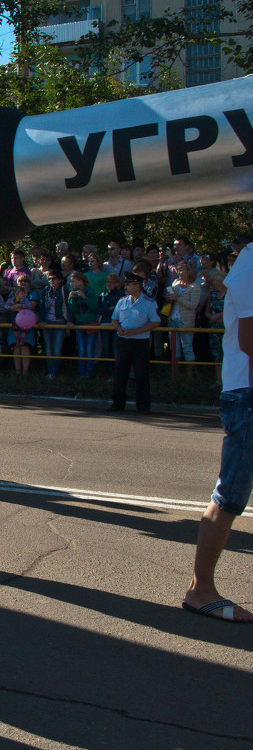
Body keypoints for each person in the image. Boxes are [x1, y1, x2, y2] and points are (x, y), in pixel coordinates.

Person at [182, 244, 252, 622]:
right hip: (248, 395)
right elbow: (250, 340)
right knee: (230, 495)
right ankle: (200, 590)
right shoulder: (252, 265)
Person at [109, 272, 160, 413]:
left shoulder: (149, 302)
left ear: (137, 286)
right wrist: (119, 329)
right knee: (120, 374)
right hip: (123, 341)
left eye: (129, 284)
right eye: (126, 284)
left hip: (140, 342)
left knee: (141, 374)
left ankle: (143, 405)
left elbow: (155, 321)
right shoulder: (122, 301)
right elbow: (114, 319)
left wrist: (136, 331)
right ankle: (117, 403)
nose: (126, 287)